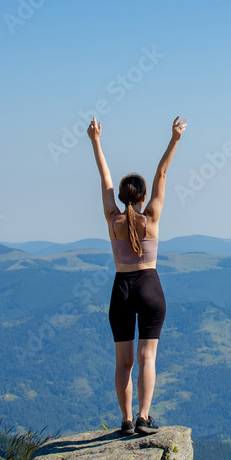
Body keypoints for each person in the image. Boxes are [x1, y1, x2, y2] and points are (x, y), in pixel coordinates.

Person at [87, 114, 187, 436]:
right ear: (143, 198)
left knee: (124, 362)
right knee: (148, 357)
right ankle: (144, 417)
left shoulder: (112, 219)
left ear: (122, 197)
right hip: (149, 286)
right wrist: (174, 139)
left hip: (122, 289)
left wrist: (95, 140)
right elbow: (162, 172)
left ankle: (127, 420)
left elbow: (104, 177)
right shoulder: (152, 218)